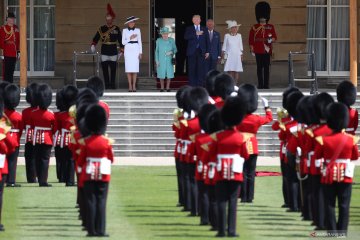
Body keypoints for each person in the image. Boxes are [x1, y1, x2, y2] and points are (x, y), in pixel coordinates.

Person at [314, 103, 358, 235]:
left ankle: (332, 230)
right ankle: (342, 231)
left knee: (330, 204)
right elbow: (356, 156)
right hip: (346, 174)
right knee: (344, 205)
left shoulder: (323, 140)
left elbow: (317, 157)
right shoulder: (351, 140)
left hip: (328, 174)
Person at [212, 96, 249, 237]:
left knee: (221, 200)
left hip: (221, 170)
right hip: (236, 171)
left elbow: (212, 153)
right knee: (233, 201)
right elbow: (245, 155)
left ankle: (221, 230)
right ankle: (231, 230)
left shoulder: (218, 137)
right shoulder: (241, 138)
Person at [78, 104, 114, 237]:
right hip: (103, 174)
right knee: (101, 202)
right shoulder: (106, 142)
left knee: (90, 201)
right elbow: (111, 158)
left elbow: (81, 160)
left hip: (88, 174)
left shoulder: (86, 142)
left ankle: (91, 230)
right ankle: (101, 230)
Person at [236, 84, 272, 203]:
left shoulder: (238, 117)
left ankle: (242, 195)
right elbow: (269, 118)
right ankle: (249, 197)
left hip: (240, 146)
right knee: (251, 173)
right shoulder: (256, 118)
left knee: (241, 171)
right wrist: (267, 106)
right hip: (252, 146)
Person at [91, 4, 123, 89]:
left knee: (113, 70)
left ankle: (112, 85)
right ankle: (107, 85)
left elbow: (120, 40)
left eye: (110, 18)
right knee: (105, 70)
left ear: (112, 19)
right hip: (104, 50)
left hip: (113, 50)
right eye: (107, 18)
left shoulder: (116, 28)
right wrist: (93, 45)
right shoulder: (101, 29)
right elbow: (96, 38)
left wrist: (121, 51)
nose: (109, 20)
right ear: (106, 19)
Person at [249, 2, 277, 89]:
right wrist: (252, 48)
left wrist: (270, 39)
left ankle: (266, 84)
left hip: (267, 49)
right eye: (261, 16)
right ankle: (260, 84)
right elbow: (251, 39)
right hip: (258, 49)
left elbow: (275, 37)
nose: (262, 18)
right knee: (259, 68)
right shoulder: (254, 27)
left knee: (266, 68)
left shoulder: (270, 26)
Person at [31, 84, 55, 187]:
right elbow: (54, 128)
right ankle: (43, 180)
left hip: (36, 138)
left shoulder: (33, 113)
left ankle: (37, 177)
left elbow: (32, 125)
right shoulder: (50, 114)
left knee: (37, 158)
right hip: (47, 139)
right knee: (45, 160)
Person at [3, 84, 22, 187]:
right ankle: (11, 181)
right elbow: (20, 129)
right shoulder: (18, 116)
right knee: (12, 161)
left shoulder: (3, 114)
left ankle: (3, 178)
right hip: (15, 139)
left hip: (4, 138)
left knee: (4, 159)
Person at [184, 15, 210, 87]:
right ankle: (192, 86)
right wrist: (195, 33)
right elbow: (186, 37)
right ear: (192, 20)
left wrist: (207, 51)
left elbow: (207, 41)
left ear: (200, 20)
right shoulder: (189, 28)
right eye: (195, 19)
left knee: (201, 70)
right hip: (191, 52)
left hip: (201, 51)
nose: (196, 20)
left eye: (198, 19)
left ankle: (200, 87)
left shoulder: (204, 29)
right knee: (192, 69)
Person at [22, 83, 39, 183]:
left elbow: (23, 126)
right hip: (40, 138)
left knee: (29, 158)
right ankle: (38, 175)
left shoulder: (25, 112)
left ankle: (31, 177)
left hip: (29, 137)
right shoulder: (41, 112)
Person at [122, 16, 142, 92]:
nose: (132, 23)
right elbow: (123, 42)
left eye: (133, 22)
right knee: (128, 68)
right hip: (128, 50)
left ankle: (134, 85)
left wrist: (140, 52)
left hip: (136, 49)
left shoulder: (138, 30)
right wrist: (130, 38)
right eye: (130, 22)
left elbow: (140, 41)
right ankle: (130, 85)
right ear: (128, 23)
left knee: (135, 69)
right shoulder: (124, 31)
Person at [155, 27, 177, 92]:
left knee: (169, 74)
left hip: (169, 60)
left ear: (168, 34)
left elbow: (175, 49)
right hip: (161, 60)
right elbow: (156, 51)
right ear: (161, 34)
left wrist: (171, 52)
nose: (165, 35)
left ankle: (167, 87)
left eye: (166, 34)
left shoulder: (171, 40)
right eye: (163, 34)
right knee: (161, 74)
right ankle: (162, 88)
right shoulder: (158, 40)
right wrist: (157, 60)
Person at [222, 20, 243, 85]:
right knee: (230, 70)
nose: (234, 29)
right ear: (230, 29)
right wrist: (223, 54)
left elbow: (240, 46)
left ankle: (235, 84)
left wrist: (241, 55)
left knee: (236, 70)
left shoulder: (239, 35)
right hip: (229, 55)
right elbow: (224, 46)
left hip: (237, 55)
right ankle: (230, 85)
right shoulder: (227, 35)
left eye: (235, 27)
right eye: (233, 28)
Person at [0, 12, 19, 83]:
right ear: (7, 19)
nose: (12, 20)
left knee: (11, 70)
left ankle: (10, 86)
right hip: (6, 52)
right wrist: (2, 54)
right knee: (6, 71)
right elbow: (1, 41)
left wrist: (18, 51)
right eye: (11, 18)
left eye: (13, 18)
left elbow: (18, 40)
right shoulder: (3, 28)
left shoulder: (15, 28)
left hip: (13, 53)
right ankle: (5, 86)